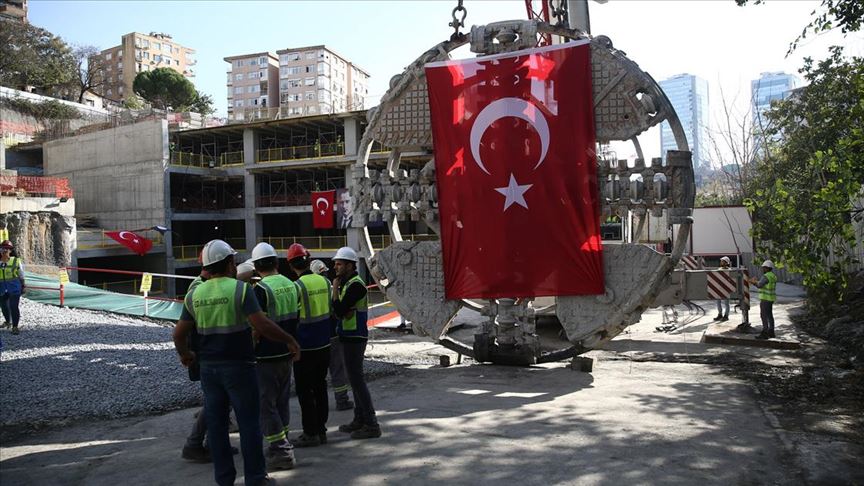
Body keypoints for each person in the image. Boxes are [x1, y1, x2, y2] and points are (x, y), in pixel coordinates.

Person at [173, 239, 301, 486]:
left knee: (218, 427)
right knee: (249, 424)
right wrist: (289, 340)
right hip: (239, 367)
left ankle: (224, 480)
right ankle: (255, 478)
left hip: (210, 370)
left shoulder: (195, 294)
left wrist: (185, 354)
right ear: (230, 263)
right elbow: (261, 324)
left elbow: (178, 334)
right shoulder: (241, 290)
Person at [249, 243, 298, 470]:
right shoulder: (291, 285)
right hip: (287, 352)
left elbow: (259, 326)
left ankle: (280, 450)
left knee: (265, 404)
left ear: (256, 267)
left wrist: (252, 344)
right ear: (276, 263)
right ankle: (284, 440)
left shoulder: (260, 290)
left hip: (266, 355)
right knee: (281, 401)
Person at [332, 246, 382, 440]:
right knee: (354, 380)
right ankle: (359, 419)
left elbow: (339, 310)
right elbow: (340, 310)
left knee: (357, 380)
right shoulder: (348, 283)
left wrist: (335, 290)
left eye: (339, 264)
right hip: (348, 335)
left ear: (350, 266)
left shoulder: (355, 285)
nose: (336, 267)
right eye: (335, 264)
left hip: (355, 337)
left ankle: (371, 423)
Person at [286, 244, 333, 447]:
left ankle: (310, 432)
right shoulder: (324, 281)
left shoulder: (296, 287)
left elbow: (293, 317)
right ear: (308, 259)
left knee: (305, 391)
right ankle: (321, 429)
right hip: (324, 343)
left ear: (290, 265)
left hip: (304, 346)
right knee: (320, 386)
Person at [311, 259, 354, 412]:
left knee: (317, 372)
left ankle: (316, 402)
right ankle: (341, 400)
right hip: (332, 333)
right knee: (337, 369)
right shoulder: (330, 287)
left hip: (315, 336)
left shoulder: (307, 287)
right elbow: (337, 309)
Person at [0, 240, 26, 336]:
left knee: (13, 306)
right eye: (3, 248)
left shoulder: (16, 261)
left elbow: (21, 275)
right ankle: (8, 321)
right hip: (2, 287)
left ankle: (15, 327)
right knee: (3, 306)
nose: (4, 250)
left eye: (7, 248)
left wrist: (23, 286)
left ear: (11, 250)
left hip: (14, 287)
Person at [750, 259, 777, 340]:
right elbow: (765, 284)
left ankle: (765, 333)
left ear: (767, 268)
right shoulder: (773, 276)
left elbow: (760, 285)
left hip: (765, 299)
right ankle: (771, 332)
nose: (763, 269)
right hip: (771, 299)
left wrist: (753, 282)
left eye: (764, 268)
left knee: (763, 315)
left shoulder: (766, 276)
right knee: (769, 315)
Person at [713, 256, 732, 322]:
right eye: (721, 261)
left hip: (726, 289)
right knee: (718, 302)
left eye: (723, 261)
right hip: (719, 288)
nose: (721, 262)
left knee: (726, 303)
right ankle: (720, 314)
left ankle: (726, 315)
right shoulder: (719, 269)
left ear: (726, 263)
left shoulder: (729, 270)